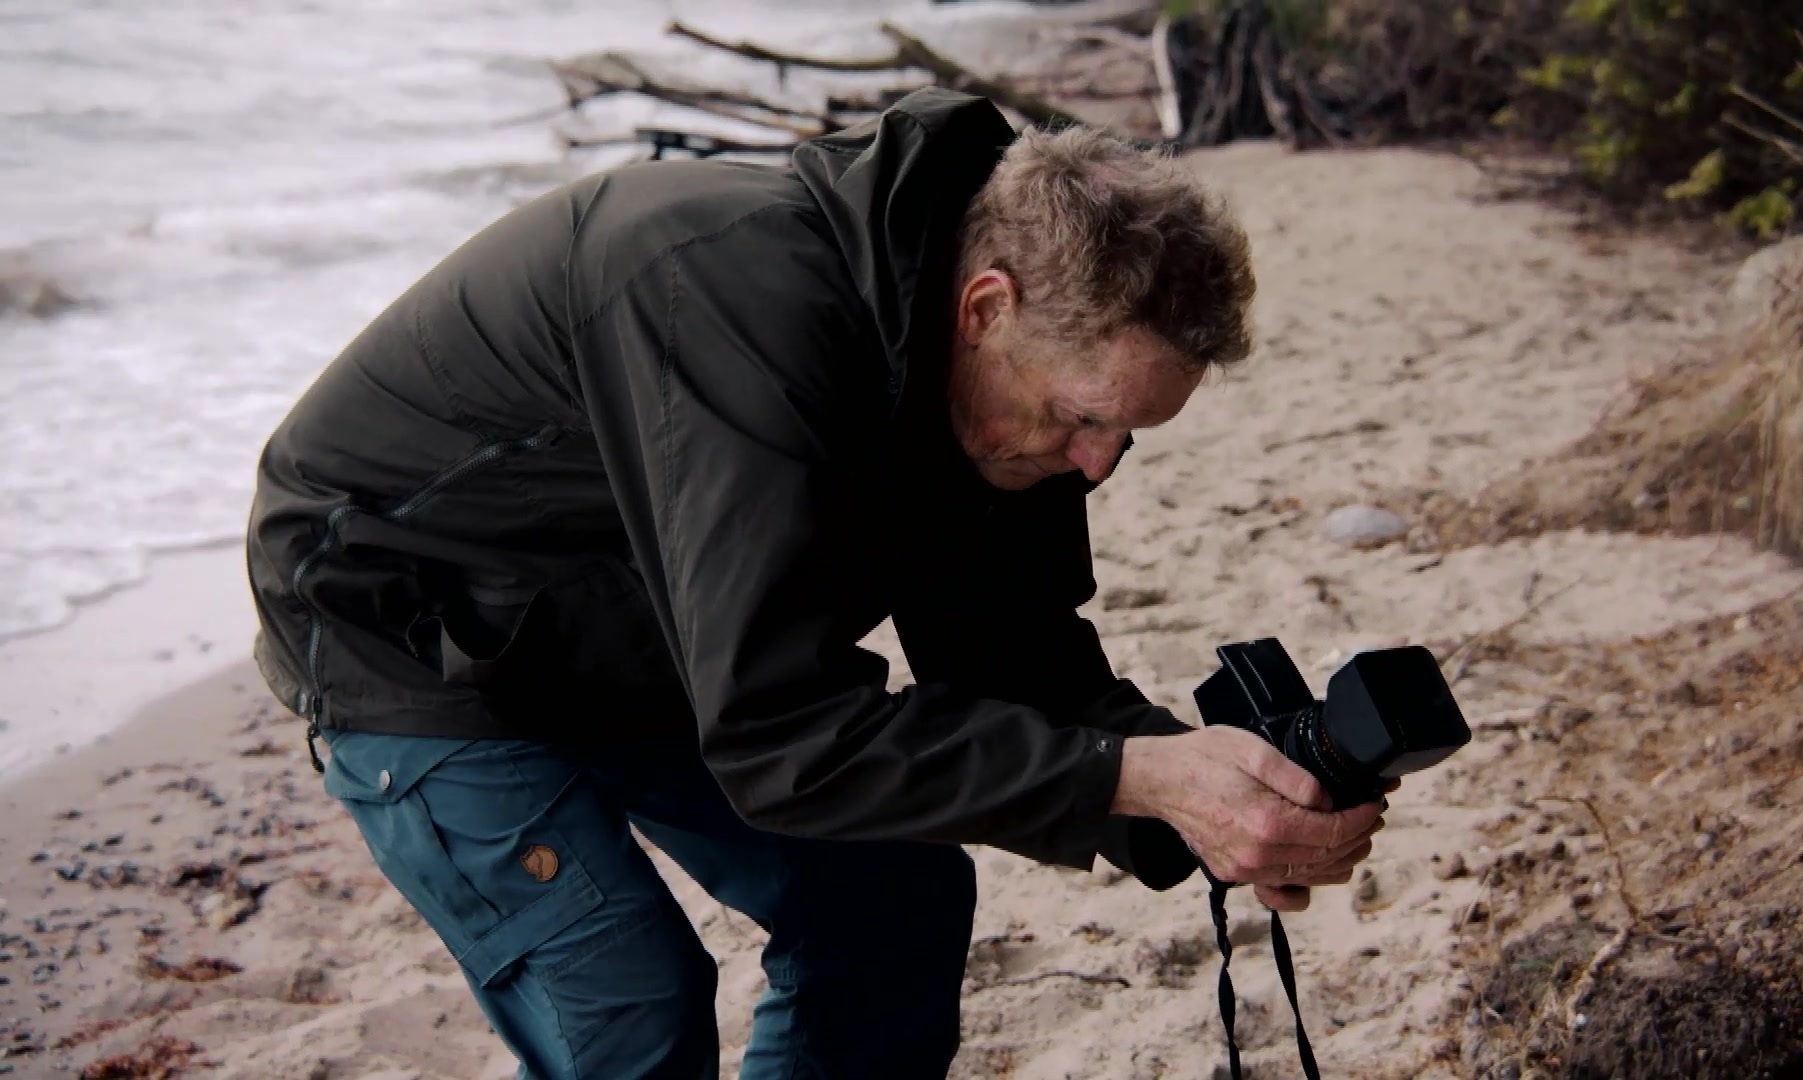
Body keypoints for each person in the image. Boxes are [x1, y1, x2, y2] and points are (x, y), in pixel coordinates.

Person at [244, 87, 1387, 1080]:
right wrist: (1138, 778)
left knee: (894, 908)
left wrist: (1215, 816)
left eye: (1127, 436)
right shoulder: (742, 302)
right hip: (398, 619)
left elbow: (1016, 661)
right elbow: (785, 744)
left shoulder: (1004, 384)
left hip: (647, 619)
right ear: (987, 307)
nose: (1096, 465)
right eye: (1090, 420)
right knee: (631, 1011)